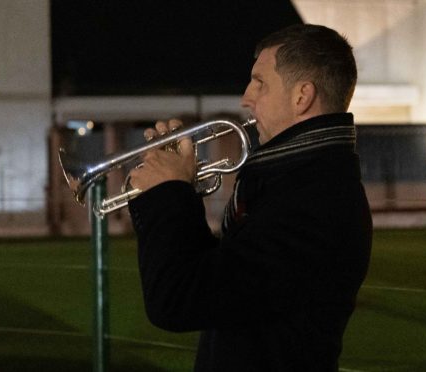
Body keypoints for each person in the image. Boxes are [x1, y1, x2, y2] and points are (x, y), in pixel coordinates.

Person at [128, 23, 373, 371]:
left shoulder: (317, 200)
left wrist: (169, 193)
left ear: (302, 96)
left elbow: (176, 300)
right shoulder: (296, 181)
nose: (246, 97)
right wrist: (174, 190)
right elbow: (219, 275)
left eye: (260, 82)